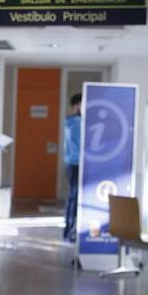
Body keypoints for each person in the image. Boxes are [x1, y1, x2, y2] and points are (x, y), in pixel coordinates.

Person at [63, 93, 82, 242]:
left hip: (72, 163)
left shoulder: (69, 121)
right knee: (74, 197)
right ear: (76, 106)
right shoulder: (76, 122)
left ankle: (69, 230)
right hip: (76, 164)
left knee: (73, 197)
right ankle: (70, 231)